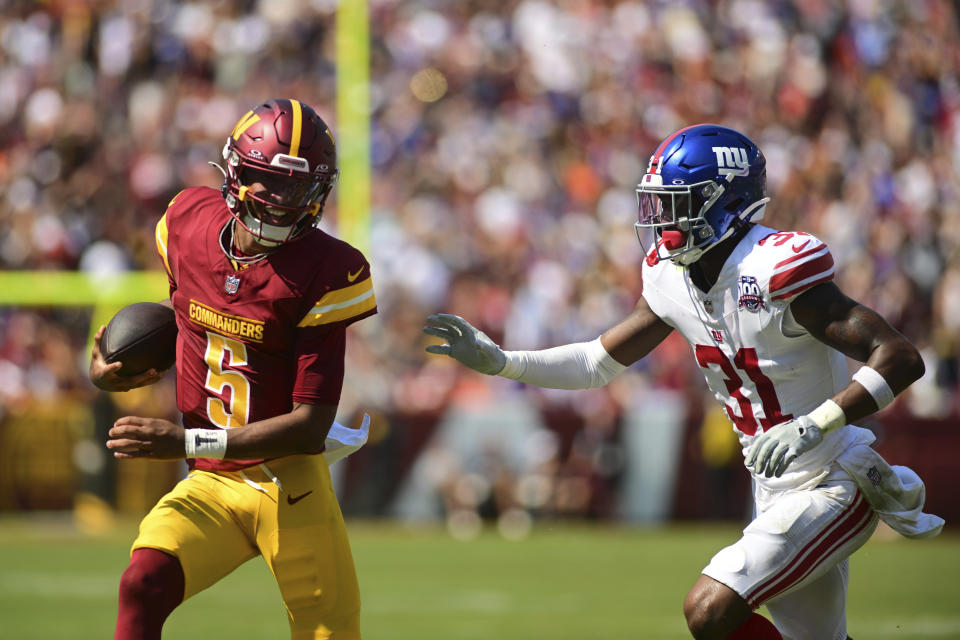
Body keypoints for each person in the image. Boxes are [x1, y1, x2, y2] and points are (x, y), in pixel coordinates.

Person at [423, 124, 944, 640]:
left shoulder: (773, 267)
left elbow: (899, 356)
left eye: (679, 203)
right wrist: (502, 362)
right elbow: (595, 363)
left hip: (834, 477)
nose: (663, 220)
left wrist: (816, 423)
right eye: (659, 203)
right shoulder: (670, 276)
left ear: (725, 202)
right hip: (774, 488)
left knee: (710, 610)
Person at [89, 98, 377, 640]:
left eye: (296, 188)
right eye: (268, 182)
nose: (279, 200)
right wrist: (106, 368)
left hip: (286, 480)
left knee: (328, 633)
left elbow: (311, 423)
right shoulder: (186, 223)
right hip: (212, 485)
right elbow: (183, 315)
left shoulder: (328, 268)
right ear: (235, 171)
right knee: (142, 583)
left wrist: (187, 443)